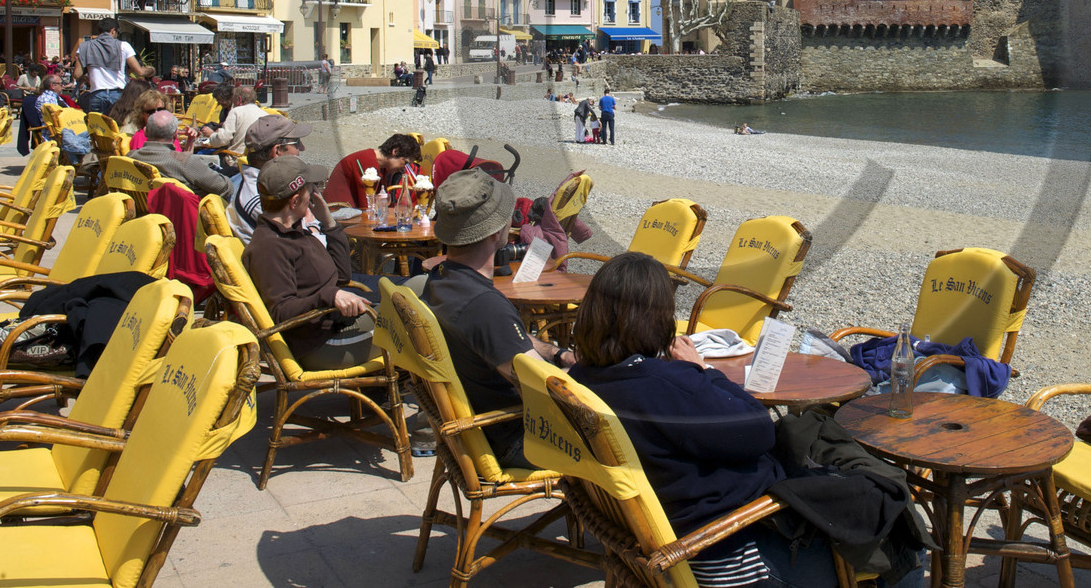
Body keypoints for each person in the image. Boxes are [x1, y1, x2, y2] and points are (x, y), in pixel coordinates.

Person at [569, 253, 926, 587]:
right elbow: (758, 428)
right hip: (729, 554)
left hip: (668, 540)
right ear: (655, 320)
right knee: (903, 544)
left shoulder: (582, 381)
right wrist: (702, 370)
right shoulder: (666, 386)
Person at [421, 169, 571, 468]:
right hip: (518, 439)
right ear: (495, 233)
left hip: (481, 430)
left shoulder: (442, 279)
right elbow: (548, 391)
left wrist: (558, 353)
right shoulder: (484, 306)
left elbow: (504, 340)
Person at [242, 156, 376, 371]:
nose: (315, 193)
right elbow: (280, 311)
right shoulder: (270, 246)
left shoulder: (294, 232)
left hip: (334, 325)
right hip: (321, 345)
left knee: (415, 297)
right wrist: (328, 296)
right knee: (415, 323)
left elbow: (342, 276)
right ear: (295, 201)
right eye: (310, 189)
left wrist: (328, 222)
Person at [228, 114, 312, 241]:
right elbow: (303, 243)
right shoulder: (265, 200)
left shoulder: (242, 181)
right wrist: (313, 223)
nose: (302, 148)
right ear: (277, 151)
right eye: (296, 143)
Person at [128, 110, 230, 198]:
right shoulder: (187, 162)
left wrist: (190, 142)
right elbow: (224, 188)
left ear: (146, 131)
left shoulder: (130, 158)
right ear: (175, 133)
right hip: (187, 212)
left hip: (144, 209)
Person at [323, 133, 422, 207]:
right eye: (405, 162)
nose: (404, 169)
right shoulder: (365, 162)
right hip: (339, 213)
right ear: (395, 151)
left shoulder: (382, 166)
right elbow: (367, 205)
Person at [74, 19, 151, 115]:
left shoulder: (84, 46)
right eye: (117, 32)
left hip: (96, 94)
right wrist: (151, 70)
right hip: (118, 93)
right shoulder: (123, 45)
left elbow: (77, 74)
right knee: (117, 122)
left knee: (98, 123)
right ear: (113, 30)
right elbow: (139, 72)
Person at [206, 85, 269, 156]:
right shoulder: (265, 114)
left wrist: (211, 134)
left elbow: (223, 140)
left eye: (234, 101)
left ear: (239, 99)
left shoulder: (236, 112)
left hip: (237, 157)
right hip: (256, 157)